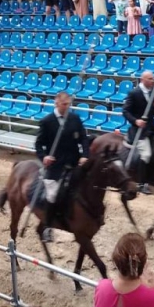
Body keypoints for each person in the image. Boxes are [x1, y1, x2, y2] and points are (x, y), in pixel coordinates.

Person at [35, 92, 87, 241]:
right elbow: (38, 144)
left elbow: (83, 138)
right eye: (64, 104)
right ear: (57, 103)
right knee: (52, 195)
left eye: (68, 104)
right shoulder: (47, 121)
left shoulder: (75, 118)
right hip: (55, 167)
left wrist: (85, 155)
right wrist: (44, 157)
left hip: (74, 163)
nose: (67, 107)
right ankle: (47, 225)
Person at [123, 71, 154, 195]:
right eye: (150, 79)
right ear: (143, 79)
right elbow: (125, 111)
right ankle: (142, 183)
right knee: (146, 154)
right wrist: (136, 121)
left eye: (153, 78)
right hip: (139, 130)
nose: (153, 81)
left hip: (152, 128)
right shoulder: (134, 93)